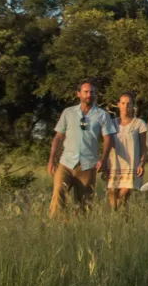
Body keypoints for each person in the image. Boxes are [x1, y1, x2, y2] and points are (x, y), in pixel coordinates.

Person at [47, 79, 113, 218]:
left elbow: (108, 138)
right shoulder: (68, 112)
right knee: (58, 194)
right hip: (66, 163)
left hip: (88, 165)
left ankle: (79, 230)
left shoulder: (102, 115)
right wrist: (51, 160)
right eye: (86, 92)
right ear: (78, 94)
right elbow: (59, 137)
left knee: (84, 204)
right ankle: (56, 228)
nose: (89, 95)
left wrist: (103, 159)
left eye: (92, 92)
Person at [106, 91, 148, 209]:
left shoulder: (139, 124)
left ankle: (119, 218)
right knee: (112, 193)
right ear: (118, 104)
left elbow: (143, 147)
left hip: (132, 166)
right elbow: (106, 144)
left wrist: (141, 163)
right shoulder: (111, 123)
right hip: (114, 164)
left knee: (122, 197)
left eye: (129, 103)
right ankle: (118, 220)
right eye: (123, 103)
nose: (126, 106)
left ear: (132, 106)